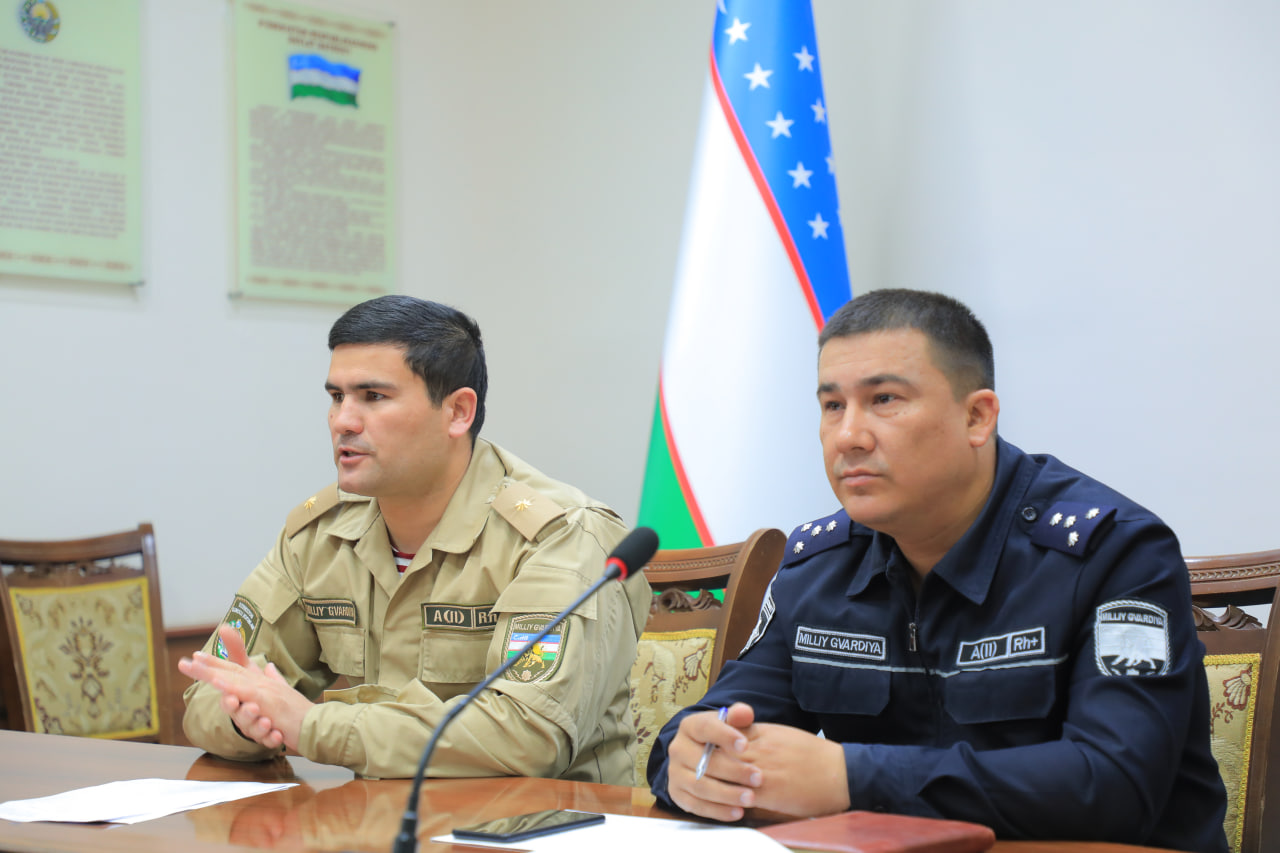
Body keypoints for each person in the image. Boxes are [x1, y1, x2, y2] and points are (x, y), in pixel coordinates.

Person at [648, 289, 1228, 852]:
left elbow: (1116, 783)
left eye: (884, 400)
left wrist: (851, 777)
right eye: (832, 406)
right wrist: (692, 759)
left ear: (977, 416)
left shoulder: (1113, 552)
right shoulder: (818, 565)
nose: (848, 437)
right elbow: (707, 728)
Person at [181, 295, 651, 784]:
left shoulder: (561, 536)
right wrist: (247, 718)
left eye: (373, 396)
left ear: (458, 412)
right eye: (337, 397)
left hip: (544, 820)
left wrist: (312, 726)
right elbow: (207, 693)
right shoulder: (318, 536)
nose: (343, 421)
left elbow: (529, 735)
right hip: (377, 816)